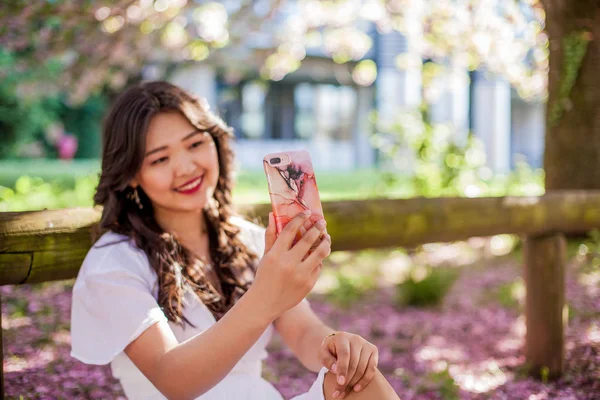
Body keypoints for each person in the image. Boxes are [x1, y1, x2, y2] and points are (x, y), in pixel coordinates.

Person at [70, 81, 400, 400]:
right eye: (160, 159)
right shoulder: (113, 264)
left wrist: (337, 346)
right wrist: (265, 295)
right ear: (130, 175)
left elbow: (302, 332)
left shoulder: (250, 240)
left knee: (359, 381)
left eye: (195, 144)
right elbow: (173, 380)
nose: (185, 167)